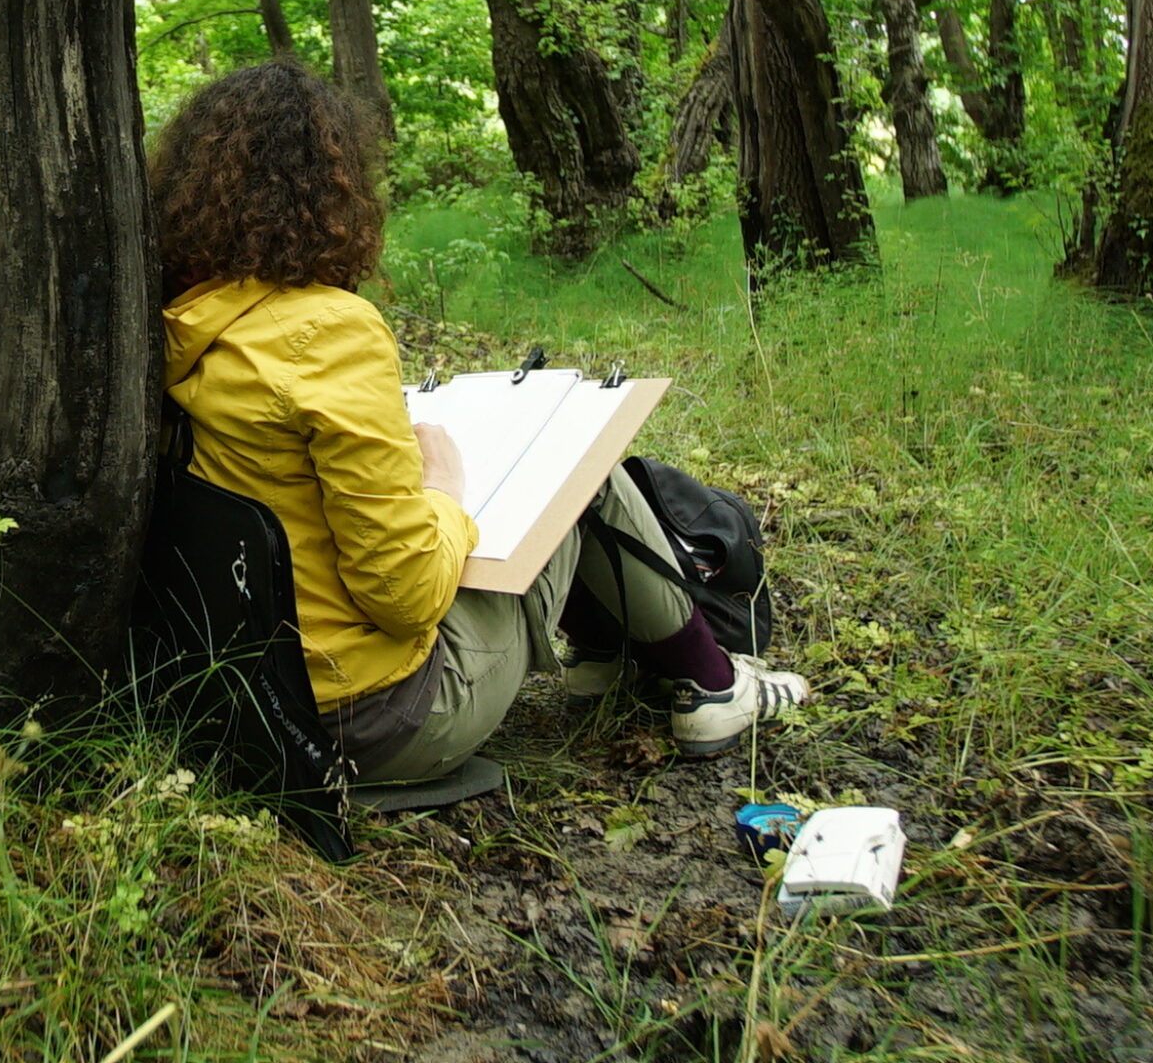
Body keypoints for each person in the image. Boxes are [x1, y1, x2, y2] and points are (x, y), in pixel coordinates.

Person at [153, 62, 808, 784]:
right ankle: (712, 683)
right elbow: (403, 600)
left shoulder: (178, 333)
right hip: (371, 723)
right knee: (578, 463)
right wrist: (443, 492)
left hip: (241, 704)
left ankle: (600, 660)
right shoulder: (329, 330)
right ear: (330, 195)